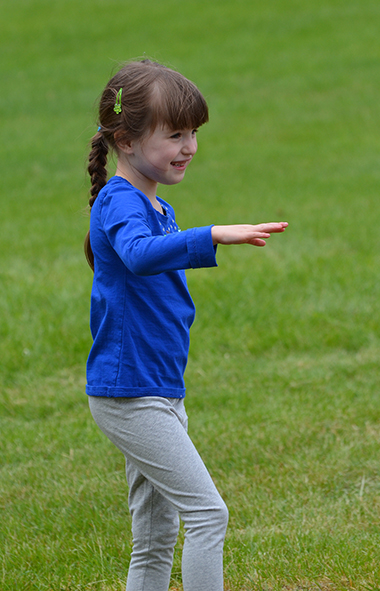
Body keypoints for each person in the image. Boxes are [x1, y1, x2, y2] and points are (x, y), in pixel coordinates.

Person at [84, 59, 288, 591]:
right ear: (125, 140)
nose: (189, 146)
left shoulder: (156, 204)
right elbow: (137, 253)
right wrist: (214, 233)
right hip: (131, 394)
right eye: (175, 134)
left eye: (193, 132)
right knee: (207, 514)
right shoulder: (120, 202)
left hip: (158, 389)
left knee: (154, 537)